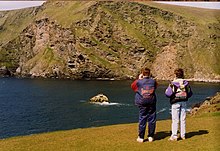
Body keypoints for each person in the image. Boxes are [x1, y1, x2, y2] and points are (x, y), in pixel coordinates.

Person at [165, 68, 192, 141]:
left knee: (175, 119)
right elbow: (190, 93)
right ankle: (183, 135)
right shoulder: (186, 83)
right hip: (183, 101)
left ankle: (174, 136)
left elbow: (168, 94)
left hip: (175, 102)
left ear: (176, 75)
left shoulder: (173, 83)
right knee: (183, 119)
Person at [131, 67, 157, 143]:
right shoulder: (153, 81)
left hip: (142, 101)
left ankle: (141, 137)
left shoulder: (139, 82)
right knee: (152, 119)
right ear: (149, 73)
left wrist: (138, 79)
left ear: (142, 73)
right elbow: (156, 87)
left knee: (142, 118)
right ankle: (150, 136)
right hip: (151, 101)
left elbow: (133, 87)